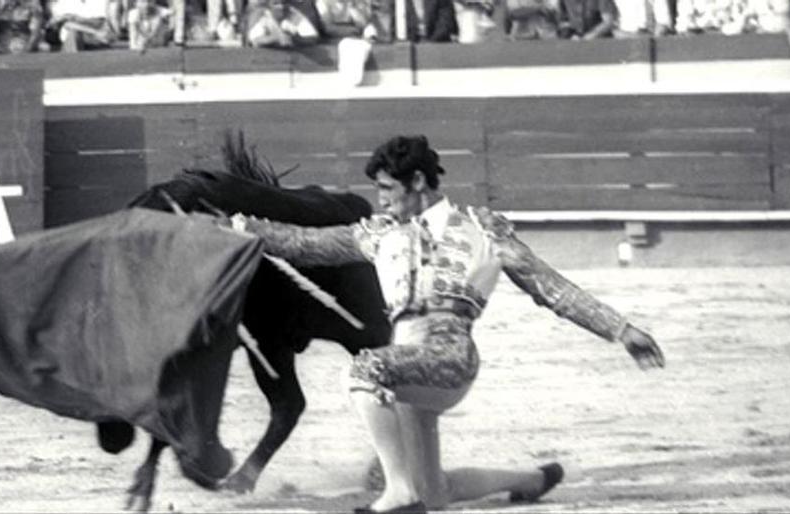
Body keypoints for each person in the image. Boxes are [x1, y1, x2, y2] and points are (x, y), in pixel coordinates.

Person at [227, 135, 666, 513]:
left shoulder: (482, 230)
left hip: (447, 359)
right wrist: (238, 224)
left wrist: (620, 329)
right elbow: (303, 245)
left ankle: (398, 494)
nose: (380, 200)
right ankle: (530, 480)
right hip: (402, 369)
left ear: (417, 182)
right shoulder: (380, 233)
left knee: (364, 368)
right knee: (434, 493)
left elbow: (552, 289)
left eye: (387, 189)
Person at [245, 0, 318, 47]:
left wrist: (294, 38)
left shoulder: (294, 14)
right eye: (276, 3)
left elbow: (313, 38)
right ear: (269, 6)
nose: (281, 6)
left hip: (297, 59)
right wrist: (277, 39)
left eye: (283, 3)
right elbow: (255, 40)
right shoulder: (264, 16)